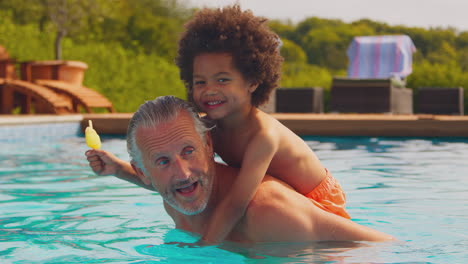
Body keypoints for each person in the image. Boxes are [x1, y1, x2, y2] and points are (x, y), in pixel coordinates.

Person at [87, 96, 394, 243]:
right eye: (163, 162)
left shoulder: (268, 213)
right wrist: (117, 169)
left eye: (189, 151)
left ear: (209, 146)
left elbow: (377, 247)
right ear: (144, 173)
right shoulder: (178, 199)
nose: (182, 173)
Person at [174, 5, 350, 244]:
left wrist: (204, 247)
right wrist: (118, 168)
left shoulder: (263, 136)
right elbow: (169, 173)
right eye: (200, 81)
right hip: (279, 200)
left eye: (223, 79)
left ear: (253, 81)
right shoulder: (208, 128)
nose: (209, 90)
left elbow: (237, 204)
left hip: (319, 201)